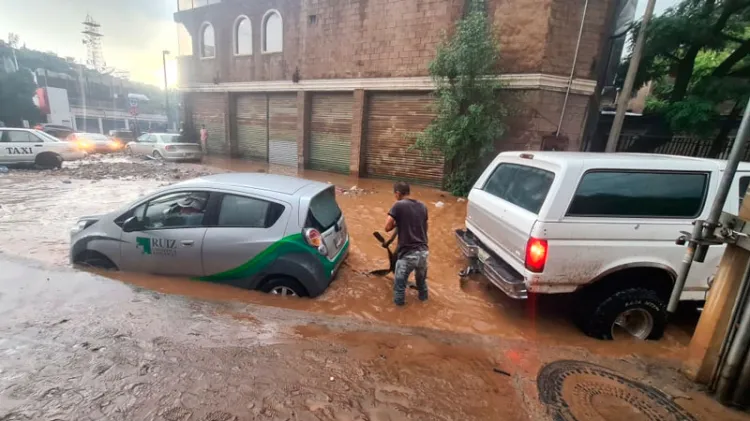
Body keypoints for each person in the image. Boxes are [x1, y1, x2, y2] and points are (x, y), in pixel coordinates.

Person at [384, 181, 429, 306]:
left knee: (399, 287)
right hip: (424, 253)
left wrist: (396, 222)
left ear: (398, 193)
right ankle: (424, 304)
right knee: (422, 284)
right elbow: (424, 228)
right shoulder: (422, 206)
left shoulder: (398, 205)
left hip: (408, 255)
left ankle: (399, 315)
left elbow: (387, 227)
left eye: (395, 194)